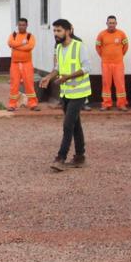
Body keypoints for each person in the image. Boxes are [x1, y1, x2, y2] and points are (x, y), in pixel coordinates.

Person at [40, 19, 92, 171]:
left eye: (59, 31)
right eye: (54, 31)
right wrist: (48, 77)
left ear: (68, 31)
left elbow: (87, 67)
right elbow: (57, 68)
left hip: (79, 91)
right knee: (75, 125)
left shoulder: (79, 46)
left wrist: (67, 77)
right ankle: (80, 157)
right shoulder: (58, 48)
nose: (56, 34)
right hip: (66, 92)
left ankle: (60, 158)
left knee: (68, 124)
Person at [95, 15, 129, 111]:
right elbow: (97, 47)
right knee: (106, 84)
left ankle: (121, 104)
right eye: (110, 23)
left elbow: (126, 46)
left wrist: (120, 55)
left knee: (120, 84)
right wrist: (104, 56)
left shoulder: (121, 34)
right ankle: (106, 104)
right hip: (106, 63)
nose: (111, 25)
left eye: (113, 23)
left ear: (116, 24)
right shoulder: (101, 34)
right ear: (107, 23)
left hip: (118, 63)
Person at [7, 18, 38, 111]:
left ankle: (33, 104)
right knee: (14, 85)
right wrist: (22, 43)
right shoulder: (13, 35)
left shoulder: (30, 36)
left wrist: (16, 46)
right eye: (20, 25)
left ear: (27, 25)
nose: (21, 26)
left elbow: (29, 47)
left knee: (29, 84)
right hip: (14, 64)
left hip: (27, 64)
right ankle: (12, 104)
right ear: (17, 25)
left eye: (23, 25)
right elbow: (10, 43)